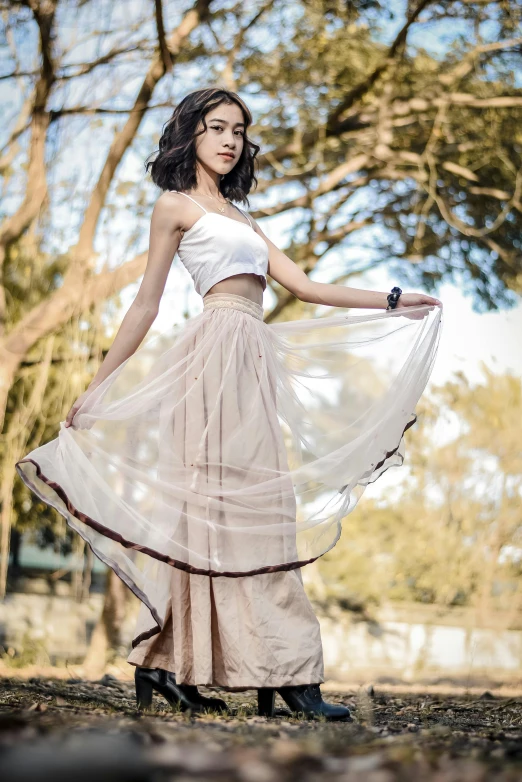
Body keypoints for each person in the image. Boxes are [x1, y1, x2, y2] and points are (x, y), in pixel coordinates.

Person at [16, 87, 442, 721]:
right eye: (217, 127)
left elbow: (304, 286)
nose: (229, 140)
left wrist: (391, 300)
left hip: (253, 360)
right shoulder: (175, 207)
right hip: (209, 361)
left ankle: (271, 670)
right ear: (191, 133)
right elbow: (145, 304)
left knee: (266, 508)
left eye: (239, 130)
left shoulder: (244, 217)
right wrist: (98, 386)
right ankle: (182, 664)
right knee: (205, 517)